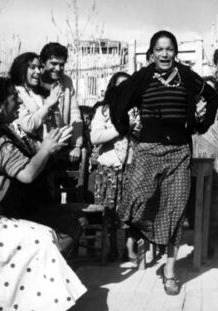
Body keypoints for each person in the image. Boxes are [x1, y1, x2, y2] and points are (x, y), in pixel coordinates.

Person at [109, 30, 218, 295]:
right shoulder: (142, 78)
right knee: (136, 197)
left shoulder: (186, 76)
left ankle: (169, 271)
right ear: (152, 53)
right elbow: (117, 101)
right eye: (159, 49)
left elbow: (212, 96)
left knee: (175, 209)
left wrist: (201, 124)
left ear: (175, 52)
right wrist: (126, 129)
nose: (165, 54)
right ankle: (134, 232)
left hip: (180, 150)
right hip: (148, 148)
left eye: (169, 49)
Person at [0, 78, 86, 310]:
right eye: (13, 97)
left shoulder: (3, 133)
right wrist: (45, 149)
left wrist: (45, 148)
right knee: (43, 240)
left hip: (6, 212)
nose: (19, 100)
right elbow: (27, 174)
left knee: (60, 229)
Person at [90, 71, 137, 263]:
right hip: (109, 166)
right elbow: (95, 137)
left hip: (131, 165)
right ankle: (110, 248)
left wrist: (135, 128)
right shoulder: (103, 111)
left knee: (130, 210)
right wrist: (120, 129)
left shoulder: (136, 110)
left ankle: (129, 247)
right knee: (108, 210)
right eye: (119, 85)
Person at [39, 42, 83, 164]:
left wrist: (76, 145)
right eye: (53, 64)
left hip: (60, 143)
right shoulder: (35, 81)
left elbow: (74, 113)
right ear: (43, 62)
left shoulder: (66, 82)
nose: (58, 69)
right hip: (39, 145)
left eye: (61, 65)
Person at [9, 52, 64, 143]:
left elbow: (53, 125)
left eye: (39, 68)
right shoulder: (15, 94)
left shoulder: (38, 93)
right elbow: (28, 125)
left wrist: (53, 108)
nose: (38, 71)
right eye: (33, 67)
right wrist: (47, 105)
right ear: (21, 69)